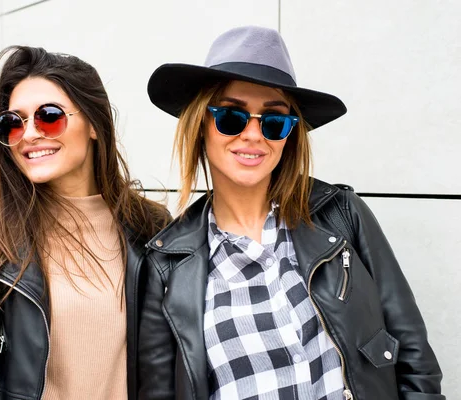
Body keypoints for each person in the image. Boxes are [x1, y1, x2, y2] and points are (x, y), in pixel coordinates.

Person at [138, 26, 444, 400]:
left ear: (290, 135)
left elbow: (413, 355)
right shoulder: (166, 264)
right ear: (201, 125)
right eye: (231, 117)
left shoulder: (341, 214)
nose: (253, 135)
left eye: (274, 121)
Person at [0, 45, 170, 400]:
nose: (28, 135)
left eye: (48, 116)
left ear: (93, 123)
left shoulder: (150, 228)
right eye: (13, 122)